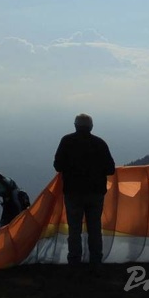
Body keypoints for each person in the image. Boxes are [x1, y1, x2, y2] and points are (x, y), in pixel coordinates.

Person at [53, 113, 115, 271]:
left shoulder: (66, 141)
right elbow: (110, 169)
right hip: (95, 193)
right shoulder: (100, 143)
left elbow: (58, 166)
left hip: (73, 192)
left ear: (75, 126)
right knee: (95, 228)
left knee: (74, 229)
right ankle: (96, 261)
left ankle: (74, 261)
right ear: (91, 127)